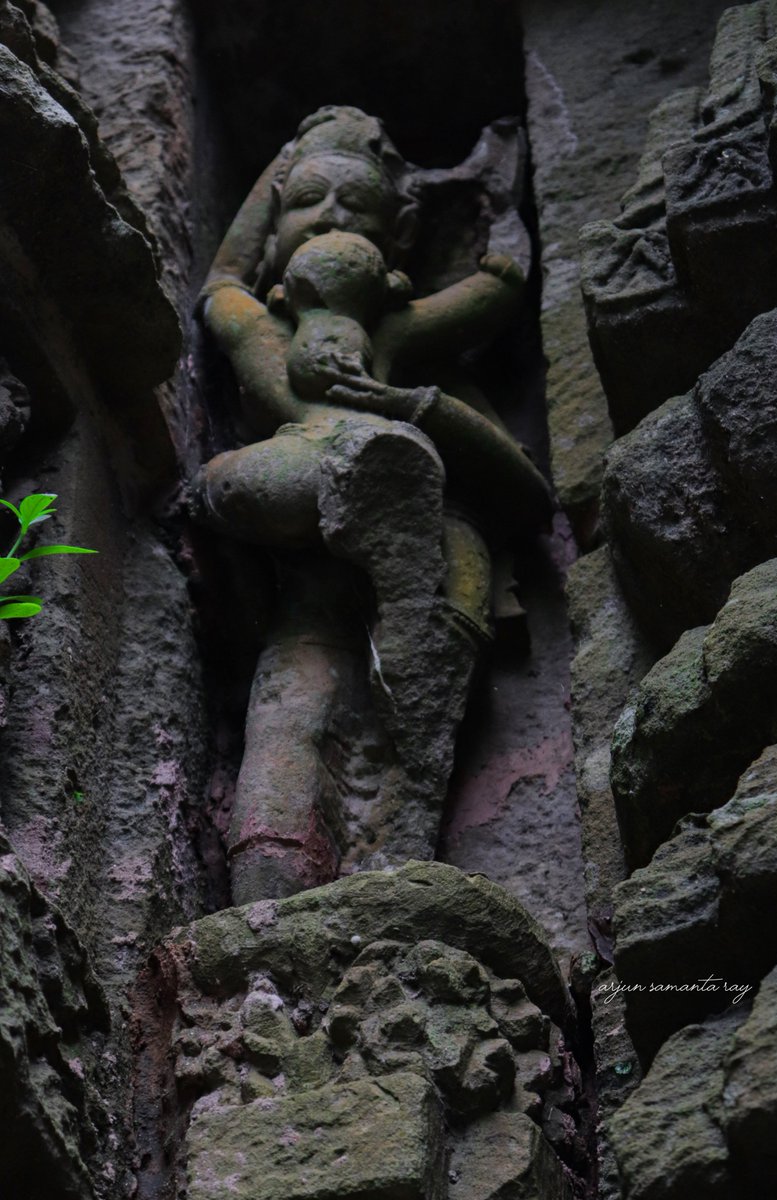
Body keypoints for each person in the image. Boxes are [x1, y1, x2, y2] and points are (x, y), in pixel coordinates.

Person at [192, 106, 552, 904]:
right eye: (308, 200)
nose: (330, 217)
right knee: (298, 689)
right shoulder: (262, 329)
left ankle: (394, 859)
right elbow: (220, 281)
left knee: (408, 705)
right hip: (313, 514)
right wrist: (277, 167)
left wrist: (413, 404)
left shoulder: (406, 337)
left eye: (355, 205)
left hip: (425, 529)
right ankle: (270, 884)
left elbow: (528, 489)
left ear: (401, 233)